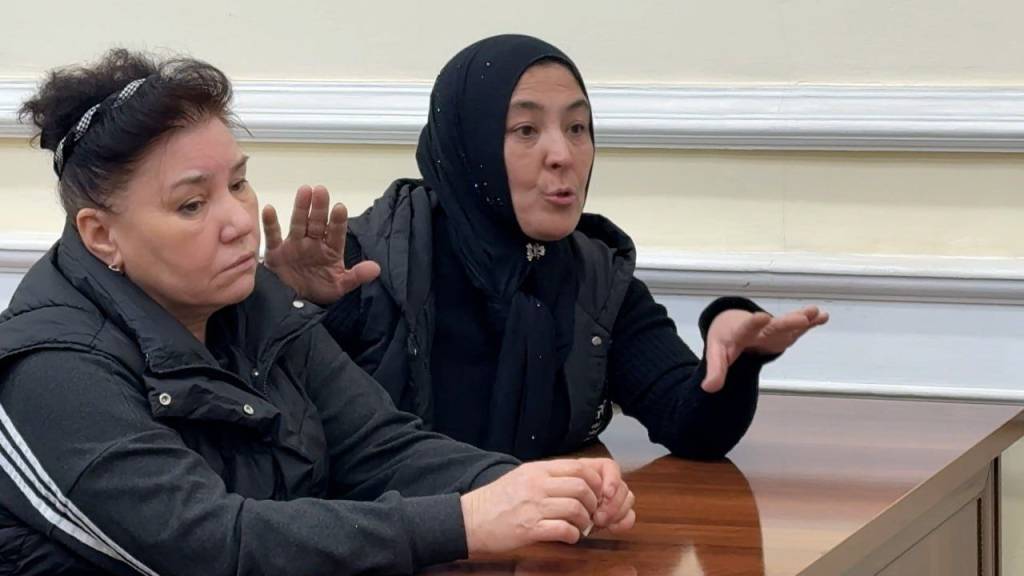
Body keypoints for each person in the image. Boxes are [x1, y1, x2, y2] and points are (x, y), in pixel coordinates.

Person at [0, 49, 634, 576]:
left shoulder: (251, 299)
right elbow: (209, 545)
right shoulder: (51, 370)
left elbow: (379, 448)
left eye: (238, 184)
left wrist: (538, 491)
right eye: (192, 205)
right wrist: (464, 522)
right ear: (101, 235)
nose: (239, 220)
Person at [263, 34, 829, 461]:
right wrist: (283, 307)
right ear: (469, 147)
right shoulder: (367, 265)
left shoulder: (595, 278)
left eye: (577, 128)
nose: (562, 155)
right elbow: (283, 449)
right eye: (526, 131)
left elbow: (691, 426)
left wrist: (735, 354)